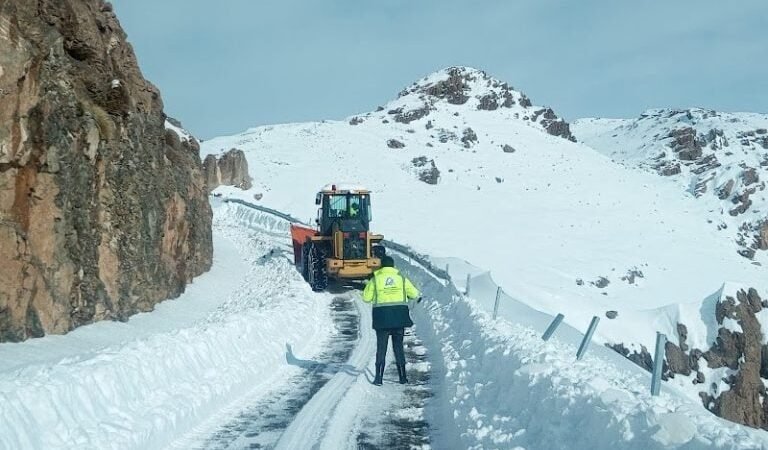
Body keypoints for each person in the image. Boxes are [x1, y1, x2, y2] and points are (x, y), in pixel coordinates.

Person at [362, 255, 421, 385]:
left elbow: (366, 298)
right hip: (399, 319)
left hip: (382, 320)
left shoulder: (376, 279)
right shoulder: (401, 278)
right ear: (393, 266)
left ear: (381, 266)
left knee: (381, 348)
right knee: (398, 347)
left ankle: (378, 378)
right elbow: (415, 294)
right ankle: (403, 377)